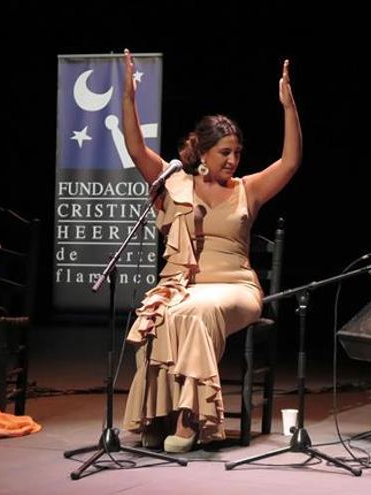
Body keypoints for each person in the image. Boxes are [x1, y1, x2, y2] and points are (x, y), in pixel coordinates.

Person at [120, 49, 302, 453]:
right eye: (225, 153)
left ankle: (191, 420)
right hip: (183, 284)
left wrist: (288, 107)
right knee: (159, 314)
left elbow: (290, 162)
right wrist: (129, 100)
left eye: (237, 153)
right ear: (202, 153)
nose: (234, 160)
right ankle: (157, 417)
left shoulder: (247, 189)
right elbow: (135, 149)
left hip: (235, 288)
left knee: (195, 311)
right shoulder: (176, 183)